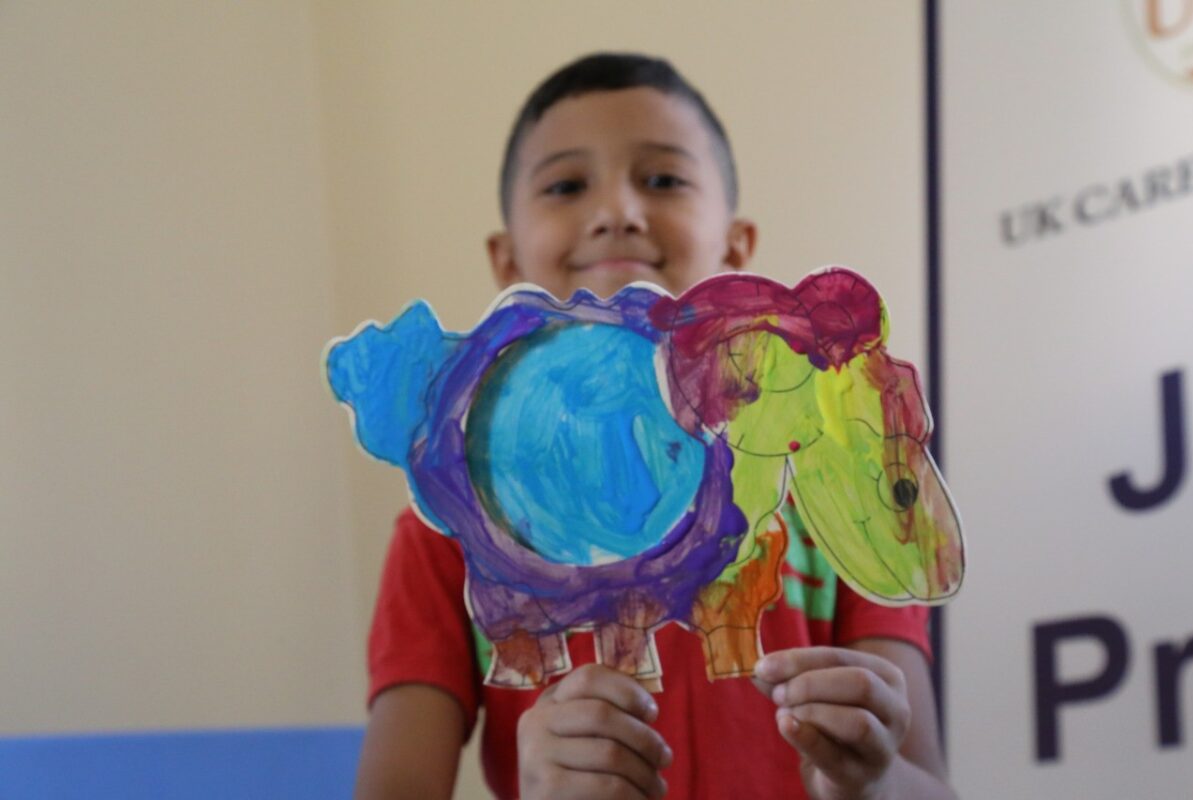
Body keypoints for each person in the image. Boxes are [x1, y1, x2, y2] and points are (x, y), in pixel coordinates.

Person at [353, 52, 956, 800]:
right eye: (567, 185)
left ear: (735, 248)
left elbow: (926, 784)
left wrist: (870, 782)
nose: (619, 212)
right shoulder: (445, 527)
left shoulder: (832, 484)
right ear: (507, 261)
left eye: (664, 180)